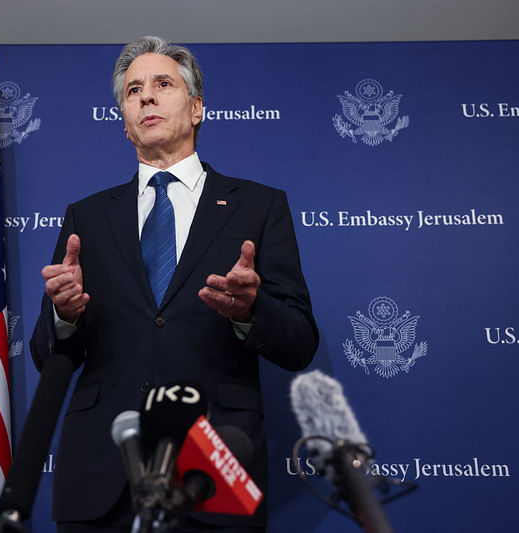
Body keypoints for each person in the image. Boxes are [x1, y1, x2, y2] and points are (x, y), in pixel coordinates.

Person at [30, 36, 318, 532]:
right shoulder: (89, 217)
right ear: (124, 122)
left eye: (163, 84)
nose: (146, 96)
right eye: (133, 90)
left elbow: (300, 345)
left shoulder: (259, 206)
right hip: (103, 471)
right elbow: (47, 355)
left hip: (215, 466)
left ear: (197, 107)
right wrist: (64, 314)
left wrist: (251, 312)